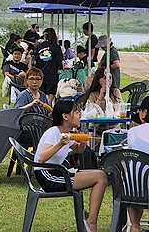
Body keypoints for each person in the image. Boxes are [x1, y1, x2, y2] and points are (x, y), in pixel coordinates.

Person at [34, 100, 107, 232]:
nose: (79, 115)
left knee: (101, 175)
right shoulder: (54, 132)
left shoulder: (67, 132)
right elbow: (41, 158)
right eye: (76, 112)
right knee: (100, 178)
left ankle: (89, 219)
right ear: (65, 116)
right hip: (48, 176)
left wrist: (83, 141)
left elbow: (78, 150)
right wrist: (61, 143)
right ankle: (90, 222)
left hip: (58, 172)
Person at [127, 96, 149, 232]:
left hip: (133, 190)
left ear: (145, 112)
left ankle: (135, 224)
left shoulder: (132, 132)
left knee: (135, 177)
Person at [32, 27, 63, 105]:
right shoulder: (56, 47)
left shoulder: (39, 47)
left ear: (44, 36)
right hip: (52, 74)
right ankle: (47, 109)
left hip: (41, 74)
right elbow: (59, 61)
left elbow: (36, 60)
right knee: (51, 94)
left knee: (41, 94)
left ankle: (42, 109)